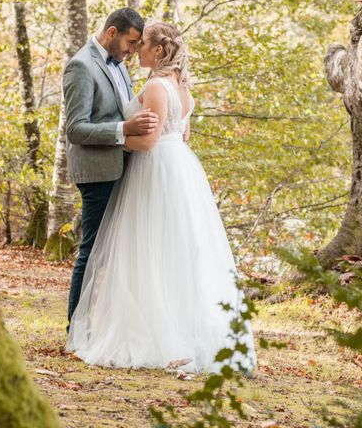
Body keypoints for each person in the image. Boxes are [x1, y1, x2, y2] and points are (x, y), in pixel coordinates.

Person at [66, 21, 256, 374]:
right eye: (133, 43)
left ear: (157, 50)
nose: (136, 50)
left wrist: (120, 137)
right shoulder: (181, 86)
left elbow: (150, 141)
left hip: (153, 168)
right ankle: (180, 331)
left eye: (142, 45)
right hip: (179, 170)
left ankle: (151, 333)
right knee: (175, 253)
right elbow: (182, 135)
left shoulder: (155, 85)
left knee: (145, 251)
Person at [64, 8, 159, 330]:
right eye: (131, 42)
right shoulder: (81, 66)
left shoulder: (119, 67)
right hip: (98, 170)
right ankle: (75, 329)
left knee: (114, 252)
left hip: (122, 166)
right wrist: (124, 129)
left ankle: (103, 327)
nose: (133, 51)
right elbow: (76, 129)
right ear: (111, 33)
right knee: (91, 252)